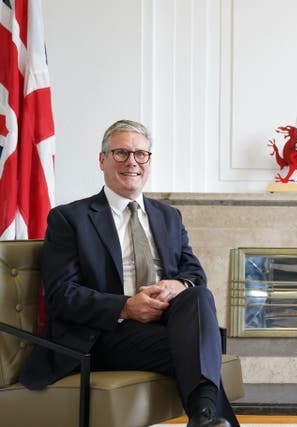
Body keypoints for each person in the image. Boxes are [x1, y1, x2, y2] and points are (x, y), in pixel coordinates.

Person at [19, 119, 239, 427]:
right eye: (121, 153)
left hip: (164, 324)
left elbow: (194, 273)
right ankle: (205, 416)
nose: (131, 162)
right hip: (103, 335)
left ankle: (203, 418)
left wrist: (176, 285)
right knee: (201, 348)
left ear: (149, 160)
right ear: (102, 160)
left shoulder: (168, 216)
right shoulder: (71, 218)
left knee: (197, 295)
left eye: (140, 154)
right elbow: (61, 295)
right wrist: (125, 307)